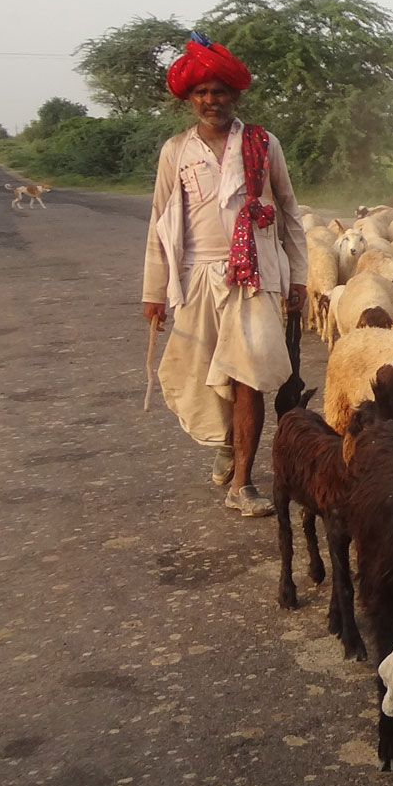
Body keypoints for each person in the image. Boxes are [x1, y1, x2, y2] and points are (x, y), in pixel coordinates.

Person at [141, 34, 307, 517]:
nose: (211, 100)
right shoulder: (176, 151)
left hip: (255, 277)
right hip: (197, 277)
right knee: (207, 381)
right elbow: (160, 221)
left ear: (234, 95)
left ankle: (242, 484)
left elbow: (290, 210)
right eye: (202, 93)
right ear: (189, 99)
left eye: (219, 91)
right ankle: (227, 445)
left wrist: (299, 276)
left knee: (248, 377)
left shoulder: (263, 143)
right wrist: (154, 292)